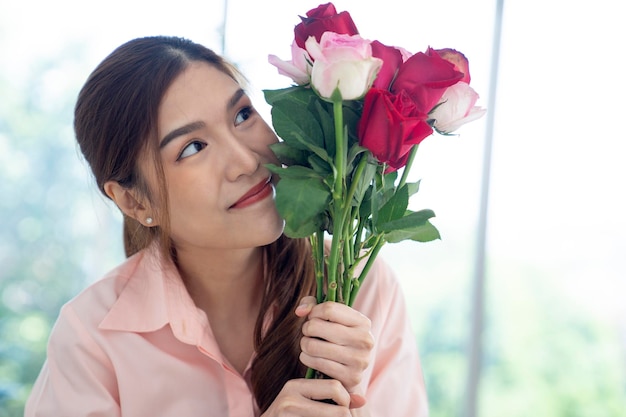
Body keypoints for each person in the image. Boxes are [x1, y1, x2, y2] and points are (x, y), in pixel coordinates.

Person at [25, 36, 428, 417]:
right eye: (193, 147)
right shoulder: (92, 338)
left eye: (242, 115)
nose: (247, 161)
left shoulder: (361, 289)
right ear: (134, 200)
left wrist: (354, 402)